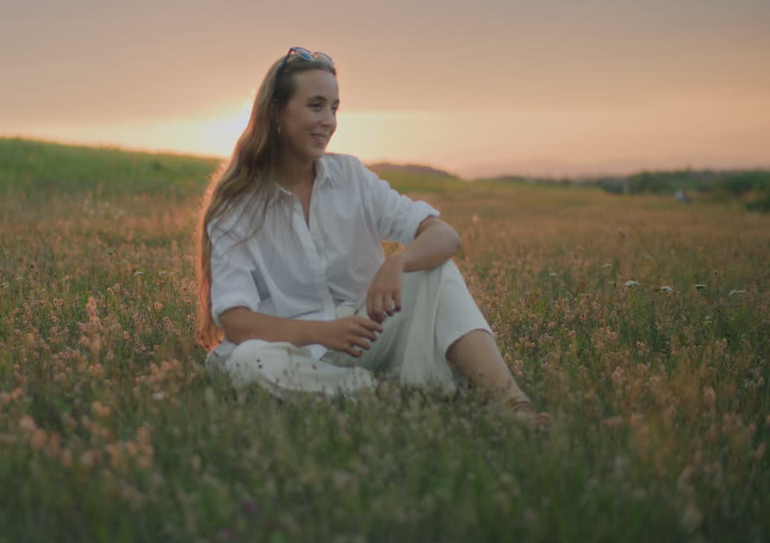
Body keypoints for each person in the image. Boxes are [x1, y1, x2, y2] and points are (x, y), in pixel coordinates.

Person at [194, 47, 546, 425]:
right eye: (315, 106)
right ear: (277, 111)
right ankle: (378, 391)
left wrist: (399, 261)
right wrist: (323, 333)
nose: (328, 120)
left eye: (334, 107)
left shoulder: (350, 177)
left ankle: (513, 404)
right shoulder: (237, 206)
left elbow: (445, 236)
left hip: (367, 332)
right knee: (248, 361)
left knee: (436, 269)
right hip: (293, 349)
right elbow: (236, 321)